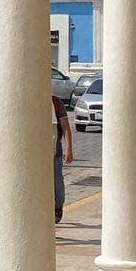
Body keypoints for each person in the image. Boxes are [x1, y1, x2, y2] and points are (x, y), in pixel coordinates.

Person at [52, 93, 75, 224]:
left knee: (57, 180)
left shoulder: (56, 102)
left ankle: (58, 206)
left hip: (54, 151)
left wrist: (68, 149)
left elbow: (65, 127)